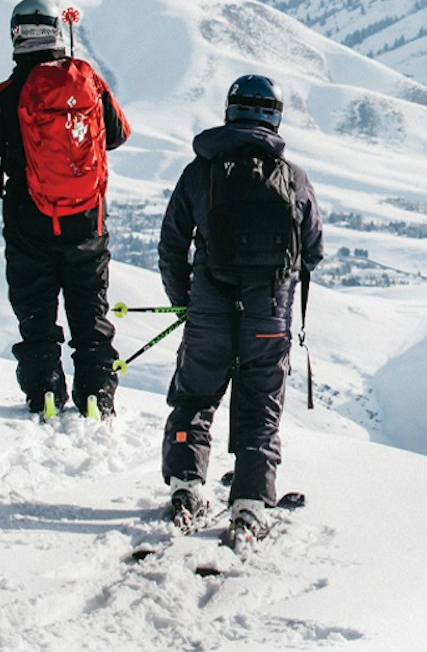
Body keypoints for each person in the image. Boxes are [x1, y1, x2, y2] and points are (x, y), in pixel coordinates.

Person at [157, 75, 323, 541]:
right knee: (259, 407)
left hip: (209, 307)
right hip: (268, 313)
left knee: (195, 398)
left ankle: (187, 484)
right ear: (275, 115)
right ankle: (250, 501)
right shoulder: (293, 178)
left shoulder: (201, 170)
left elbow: (172, 243)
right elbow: (313, 251)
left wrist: (184, 302)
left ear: (230, 110)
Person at [0, 0, 131, 418]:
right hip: (86, 220)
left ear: (16, 34)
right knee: (90, 312)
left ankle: (45, 392)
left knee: (36, 312)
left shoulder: (6, 95)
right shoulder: (87, 80)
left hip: (28, 219)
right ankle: (96, 395)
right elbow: (119, 133)